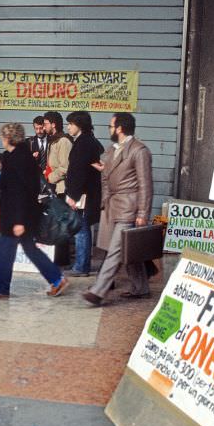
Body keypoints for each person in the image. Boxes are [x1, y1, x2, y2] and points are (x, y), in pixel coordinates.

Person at [0, 123, 69, 299]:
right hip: (20, 214)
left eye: (3, 136)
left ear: (8, 138)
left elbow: (20, 192)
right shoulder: (19, 156)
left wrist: (19, 221)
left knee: (5, 251)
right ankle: (56, 279)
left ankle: (2, 287)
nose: (2, 139)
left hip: (17, 216)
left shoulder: (18, 159)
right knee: (27, 249)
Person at [82, 113, 152, 306]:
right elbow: (107, 176)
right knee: (129, 248)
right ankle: (141, 287)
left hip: (129, 206)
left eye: (111, 126)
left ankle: (98, 290)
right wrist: (105, 201)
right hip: (113, 206)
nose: (109, 130)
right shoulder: (112, 150)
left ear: (120, 128)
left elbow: (145, 185)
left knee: (115, 250)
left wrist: (142, 213)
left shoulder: (139, 150)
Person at [64, 111, 102, 277]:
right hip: (87, 193)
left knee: (81, 229)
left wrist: (73, 195)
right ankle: (81, 264)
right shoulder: (88, 141)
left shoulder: (83, 143)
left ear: (79, 125)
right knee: (83, 228)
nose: (68, 127)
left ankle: (81, 266)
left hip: (83, 194)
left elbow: (79, 172)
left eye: (71, 124)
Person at [43, 111, 73, 266]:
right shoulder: (53, 141)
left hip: (62, 188)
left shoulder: (64, 142)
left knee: (62, 224)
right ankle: (57, 257)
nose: (44, 126)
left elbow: (65, 167)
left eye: (46, 123)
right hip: (54, 188)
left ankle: (62, 259)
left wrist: (50, 176)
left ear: (53, 124)